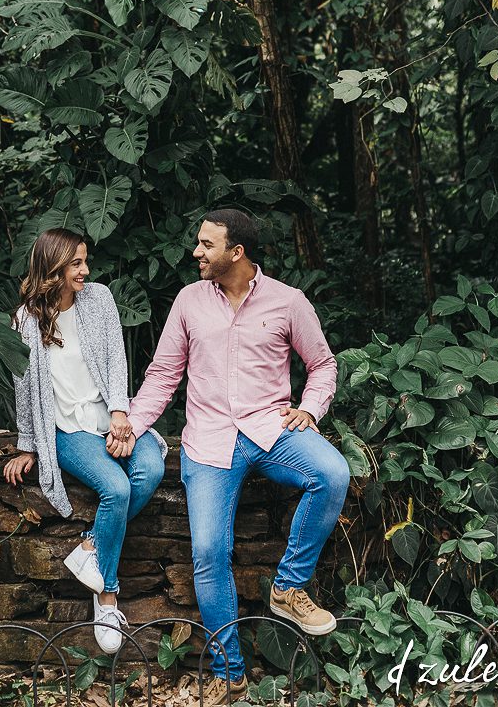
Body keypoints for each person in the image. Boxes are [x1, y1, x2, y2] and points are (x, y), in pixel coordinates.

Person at [123, 208, 350, 704]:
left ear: (236, 252)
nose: (196, 252)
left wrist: (310, 409)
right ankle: (230, 672)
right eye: (198, 243)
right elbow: (164, 375)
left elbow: (323, 365)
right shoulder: (188, 301)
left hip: (272, 430)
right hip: (208, 439)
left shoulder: (288, 302)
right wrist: (132, 425)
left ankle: (288, 588)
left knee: (332, 472)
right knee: (208, 552)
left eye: (207, 245)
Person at [2, 227, 166, 654]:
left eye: (84, 261)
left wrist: (119, 415)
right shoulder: (25, 320)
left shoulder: (99, 299)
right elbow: (24, 386)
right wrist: (27, 445)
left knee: (150, 468)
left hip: (108, 414)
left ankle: (91, 546)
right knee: (116, 487)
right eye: (76, 263)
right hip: (67, 429)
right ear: (53, 267)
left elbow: (116, 358)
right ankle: (107, 596)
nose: (85, 270)